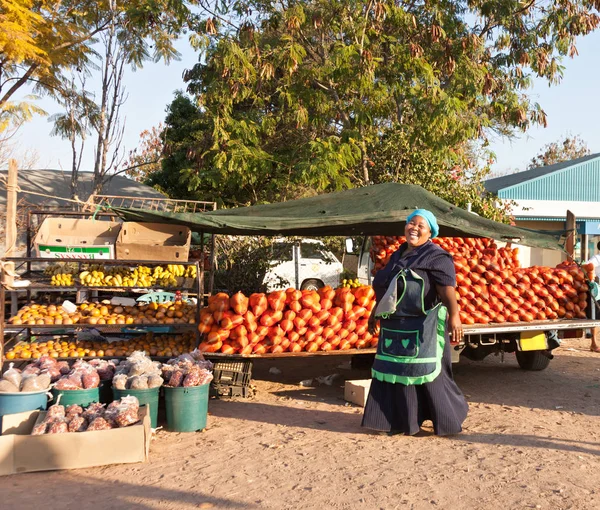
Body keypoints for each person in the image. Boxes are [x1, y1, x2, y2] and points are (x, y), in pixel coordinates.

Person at [362, 209, 468, 436]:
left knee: (428, 374)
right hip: (395, 325)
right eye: (411, 223)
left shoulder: (437, 256)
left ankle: (447, 420)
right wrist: (375, 312)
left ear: (430, 232)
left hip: (425, 325)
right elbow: (389, 289)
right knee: (395, 371)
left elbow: (446, 289)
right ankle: (398, 422)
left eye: (421, 225)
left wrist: (455, 316)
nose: (415, 228)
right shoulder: (397, 256)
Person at [584, 241, 600, 352]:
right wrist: (593, 276)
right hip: (599, 292)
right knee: (596, 319)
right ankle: (594, 343)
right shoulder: (597, 258)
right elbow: (587, 266)